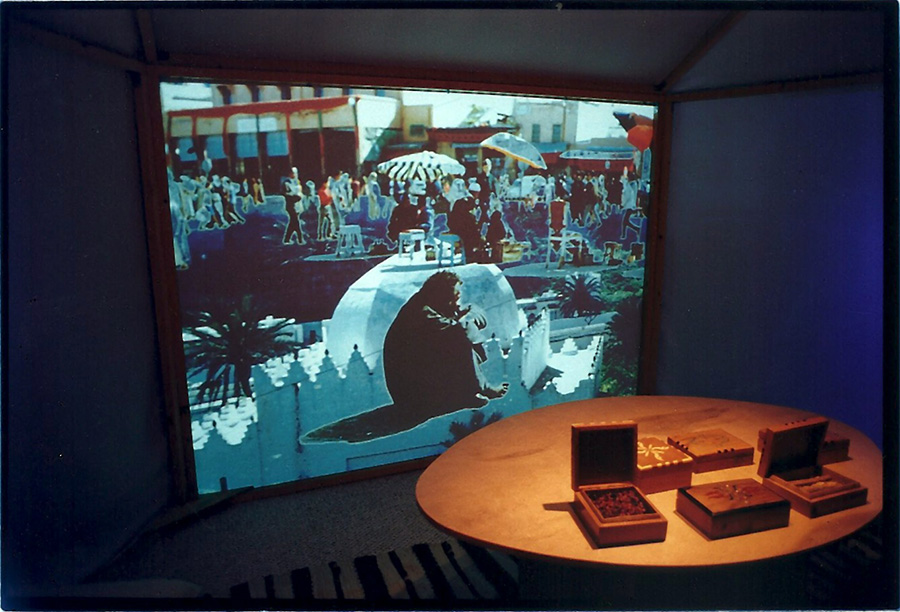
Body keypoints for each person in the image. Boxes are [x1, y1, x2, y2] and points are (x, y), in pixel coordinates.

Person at [382, 270, 508, 419]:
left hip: (415, 390)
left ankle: (468, 392)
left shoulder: (425, 302)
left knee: (459, 335)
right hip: (414, 397)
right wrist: (468, 319)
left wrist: (465, 316)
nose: (456, 302)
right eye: (454, 297)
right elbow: (461, 331)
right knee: (460, 340)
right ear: (441, 296)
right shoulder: (422, 313)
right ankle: (479, 390)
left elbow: (468, 316)